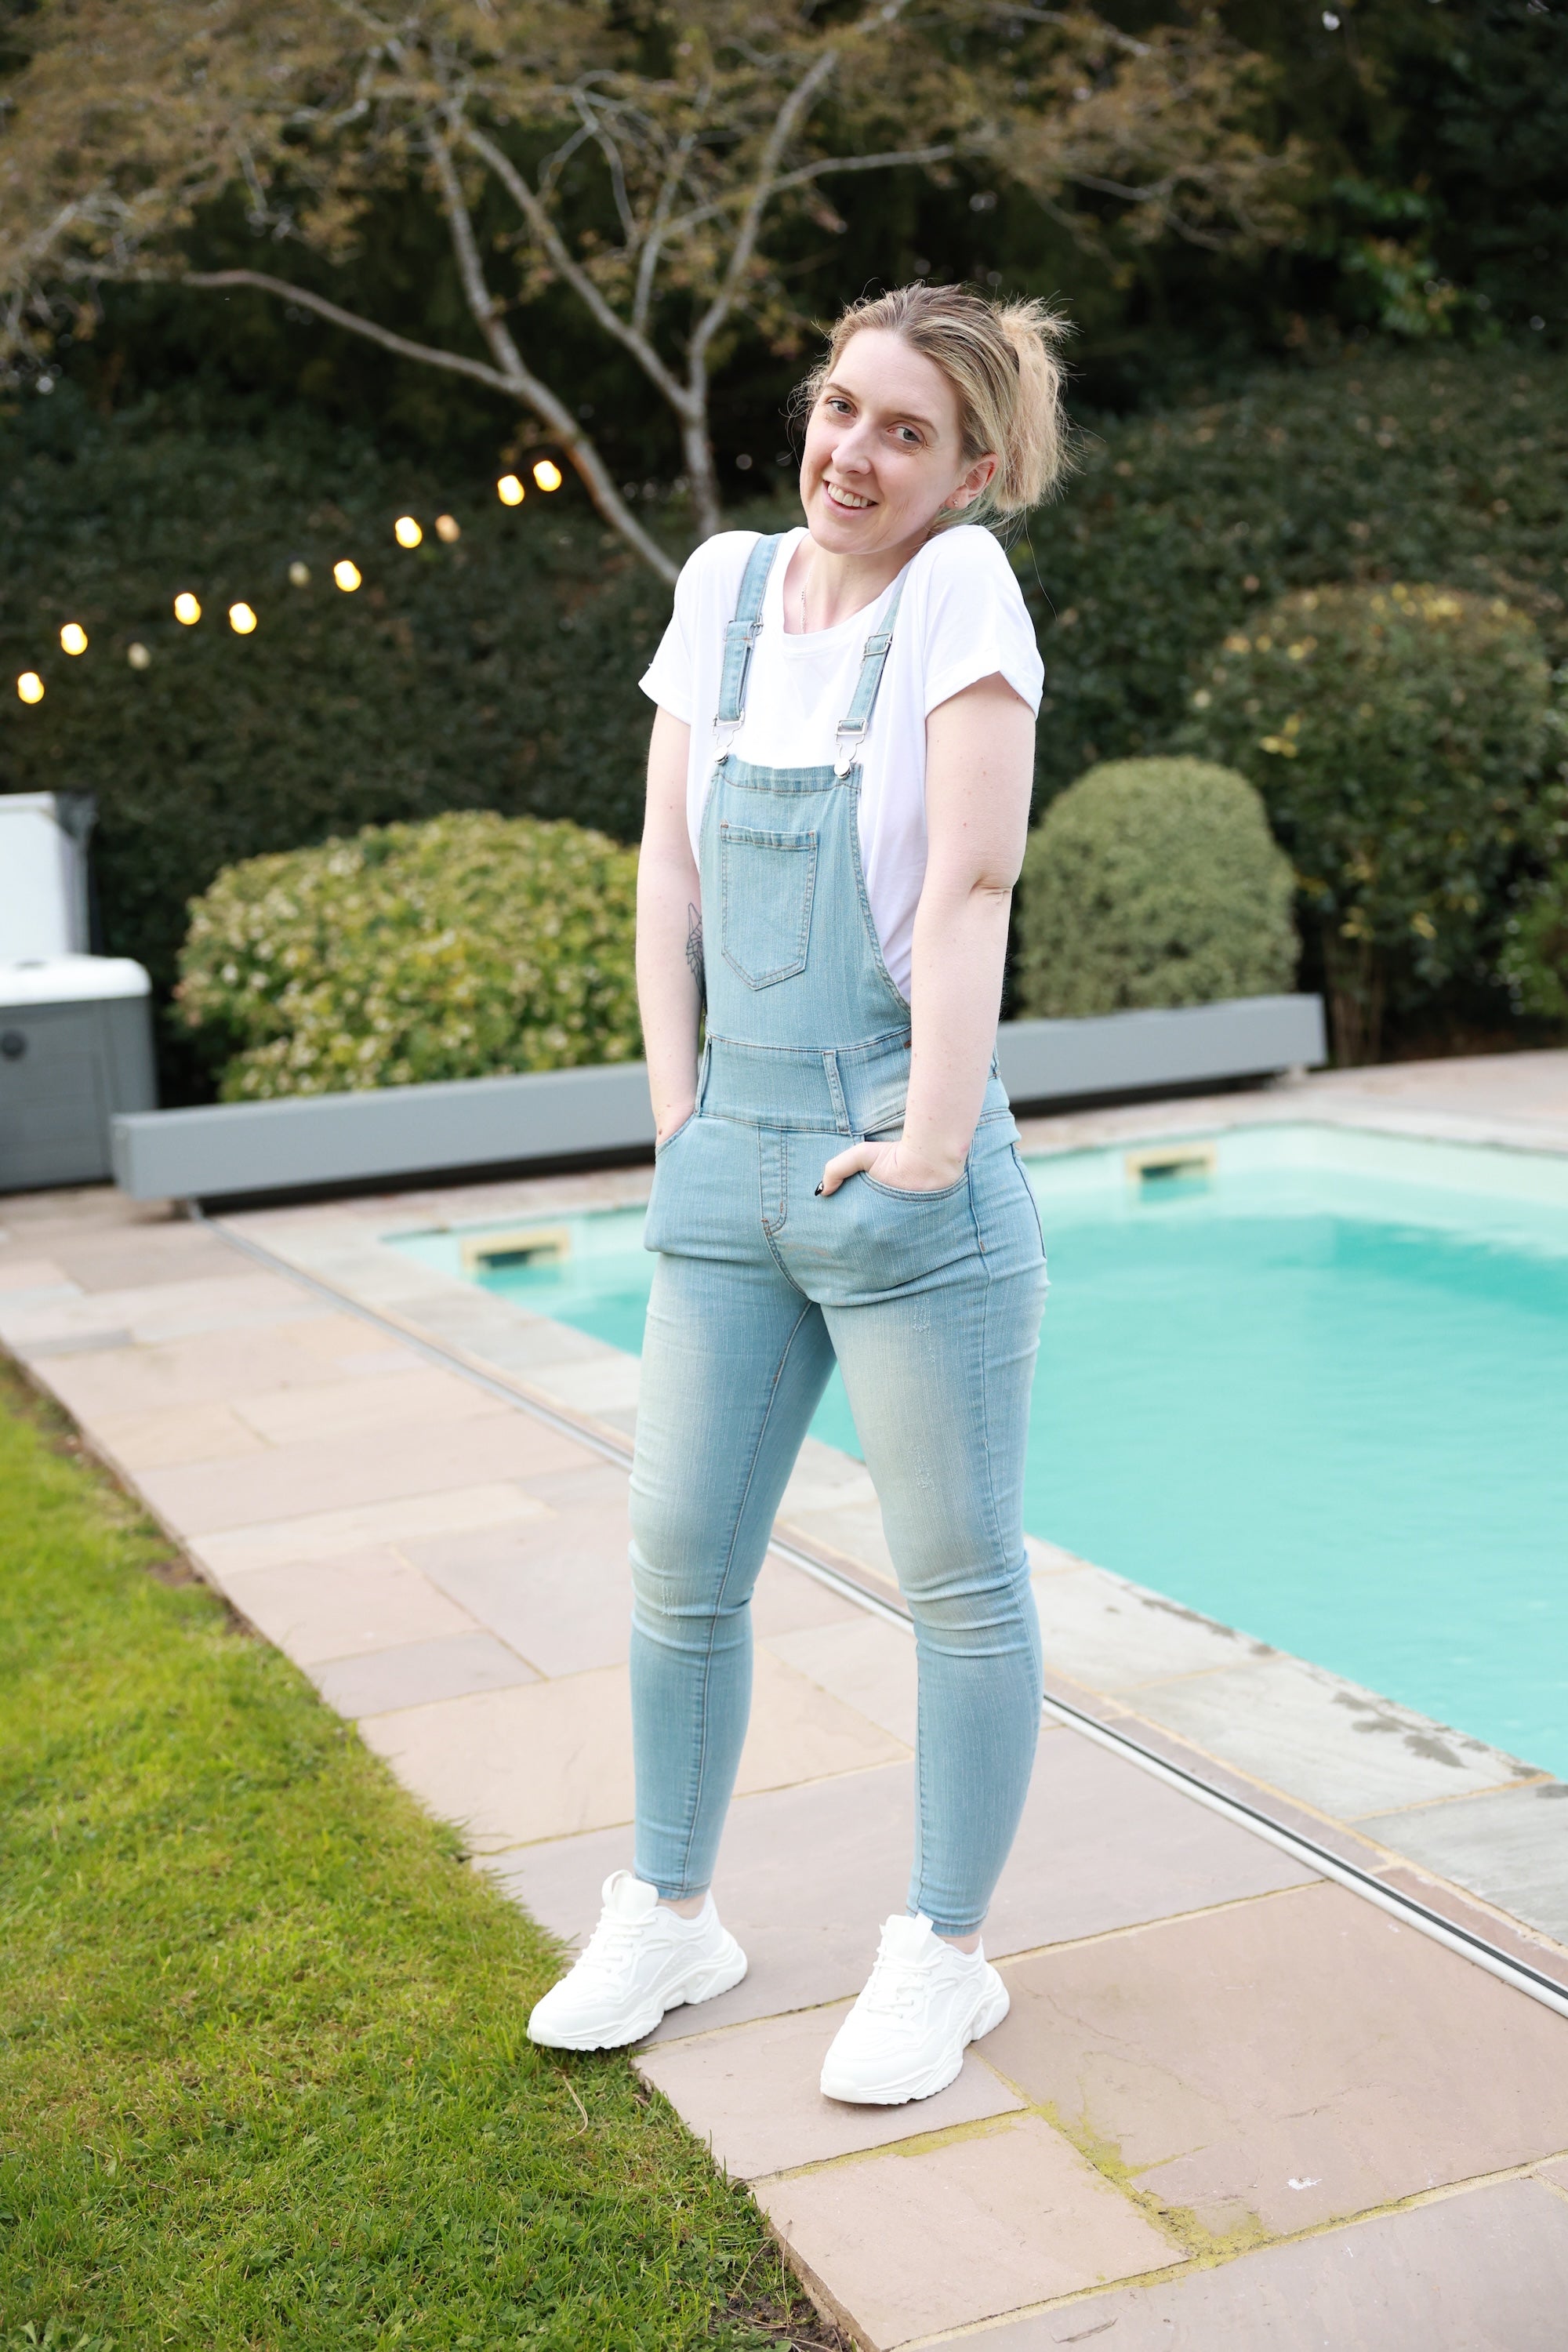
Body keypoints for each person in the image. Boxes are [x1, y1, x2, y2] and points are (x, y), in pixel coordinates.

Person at [528, 282, 1068, 2105]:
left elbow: (972, 885)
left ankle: (942, 1955)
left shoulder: (960, 595)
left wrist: (925, 1145)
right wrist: (677, 1108)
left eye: (905, 431)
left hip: (898, 1165)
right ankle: (671, 1910)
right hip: (727, 1163)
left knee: (959, 1586)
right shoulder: (721, 587)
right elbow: (666, 872)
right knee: (678, 1566)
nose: (853, 453)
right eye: (842, 409)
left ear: (967, 465)